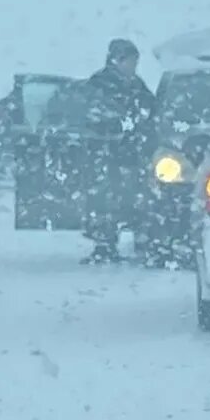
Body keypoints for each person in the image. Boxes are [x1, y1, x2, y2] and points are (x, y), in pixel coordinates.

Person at [77, 38, 159, 264]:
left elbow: (152, 108)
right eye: (130, 61)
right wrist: (119, 123)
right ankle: (105, 244)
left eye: (136, 61)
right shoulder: (99, 84)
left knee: (137, 197)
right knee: (104, 199)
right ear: (117, 60)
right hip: (104, 153)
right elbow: (91, 114)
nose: (133, 66)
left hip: (132, 153)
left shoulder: (136, 85)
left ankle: (142, 240)